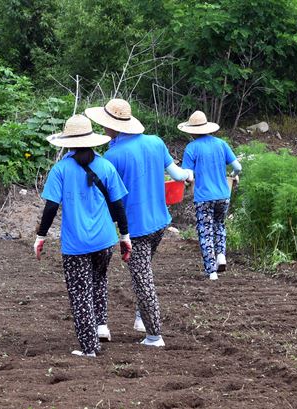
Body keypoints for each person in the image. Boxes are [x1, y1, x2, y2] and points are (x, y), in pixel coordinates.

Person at [86, 99, 190, 347]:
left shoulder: (112, 156)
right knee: (144, 270)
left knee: (142, 278)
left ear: (112, 127)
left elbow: (105, 195)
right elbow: (177, 175)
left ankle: (154, 336)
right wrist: (190, 174)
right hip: (160, 222)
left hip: (136, 229)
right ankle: (141, 318)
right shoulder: (155, 142)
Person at [34, 114, 131, 358]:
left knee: (80, 293)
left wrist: (41, 236)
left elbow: (50, 208)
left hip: (76, 244)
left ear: (67, 142)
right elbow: (118, 205)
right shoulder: (106, 166)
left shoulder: (60, 169)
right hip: (105, 240)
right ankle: (101, 327)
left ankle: (89, 348)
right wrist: (125, 235)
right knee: (99, 282)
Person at [178, 110, 242, 280]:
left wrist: (186, 181)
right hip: (223, 194)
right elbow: (238, 167)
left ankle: (211, 271)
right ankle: (221, 255)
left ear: (191, 131)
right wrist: (234, 175)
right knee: (219, 225)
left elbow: (189, 175)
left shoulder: (191, 148)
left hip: (204, 197)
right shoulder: (221, 144)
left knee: (205, 231)